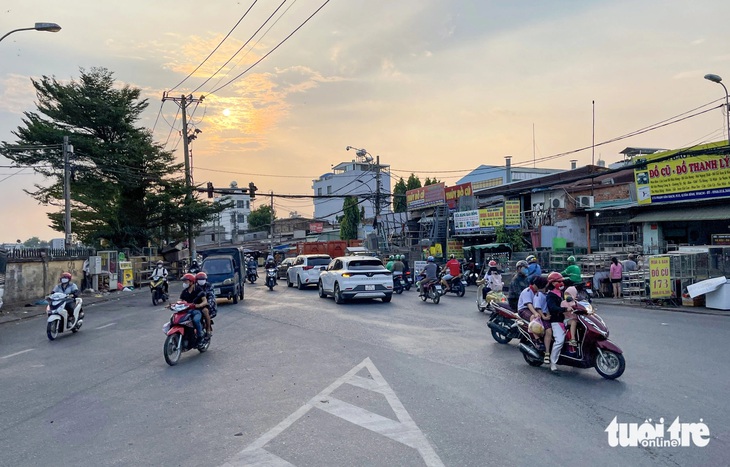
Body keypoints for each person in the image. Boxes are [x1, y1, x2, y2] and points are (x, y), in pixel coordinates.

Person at [517, 276, 551, 363]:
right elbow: (529, 304)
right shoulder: (527, 291)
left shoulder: (539, 292)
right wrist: (536, 313)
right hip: (524, 309)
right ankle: (537, 340)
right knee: (534, 317)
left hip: (534, 309)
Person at [545, 272, 572, 372]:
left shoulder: (562, 293)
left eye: (562, 281)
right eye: (559, 281)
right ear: (552, 283)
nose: (561, 283)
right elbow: (552, 308)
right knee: (559, 340)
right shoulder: (550, 296)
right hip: (556, 321)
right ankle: (553, 362)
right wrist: (564, 309)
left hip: (565, 318)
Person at [179, 273, 208, 345]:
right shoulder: (184, 292)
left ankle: (200, 335)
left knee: (196, 320)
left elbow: (205, 301)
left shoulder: (198, 290)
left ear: (191, 282)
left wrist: (199, 305)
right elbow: (180, 301)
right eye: (184, 282)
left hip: (196, 310)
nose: (184, 283)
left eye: (186, 281)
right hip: (186, 311)